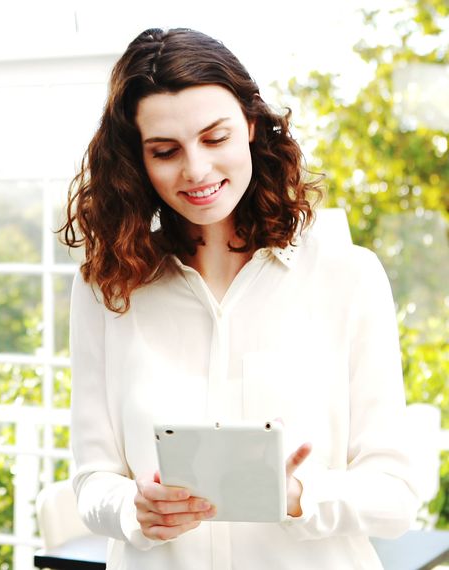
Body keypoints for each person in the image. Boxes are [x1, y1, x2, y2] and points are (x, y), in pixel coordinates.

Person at [59, 28, 419, 569]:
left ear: (250, 126)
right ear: (137, 159)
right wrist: (134, 511)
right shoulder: (107, 285)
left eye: (215, 138)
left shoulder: (348, 276)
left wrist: (298, 497)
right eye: (165, 151)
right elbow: (93, 478)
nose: (196, 170)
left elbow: (398, 494)